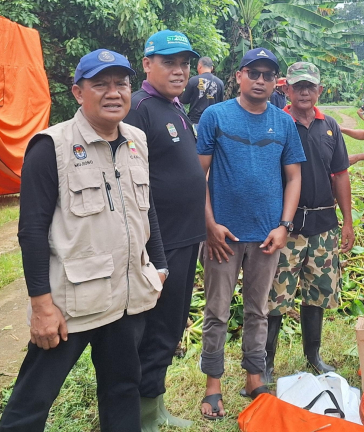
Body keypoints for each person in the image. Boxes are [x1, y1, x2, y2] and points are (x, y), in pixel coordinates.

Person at [0, 49, 167, 432]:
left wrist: (160, 265)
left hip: (126, 299)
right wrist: (41, 305)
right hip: (71, 304)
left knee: (123, 389)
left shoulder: (136, 139)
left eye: (120, 84)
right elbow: (32, 231)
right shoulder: (51, 147)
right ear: (78, 92)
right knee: (32, 400)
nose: (113, 93)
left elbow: (146, 208)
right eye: (100, 84)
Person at [196, 47, 305, 418]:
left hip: (267, 236)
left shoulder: (284, 123)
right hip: (222, 237)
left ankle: (253, 378)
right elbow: (200, 176)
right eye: (253, 73)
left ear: (276, 82)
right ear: (239, 76)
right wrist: (209, 225)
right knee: (217, 311)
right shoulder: (215, 115)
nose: (260, 80)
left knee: (259, 309)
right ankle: (213, 387)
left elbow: (294, 176)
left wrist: (284, 226)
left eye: (268, 75)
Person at [124, 29, 205, 431]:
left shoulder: (173, 108)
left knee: (170, 326)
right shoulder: (138, 108)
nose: (179, 71)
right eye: (170, 62)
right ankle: (140, 416)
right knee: (153, 329)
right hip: (160, 243)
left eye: (185, 64)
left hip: (186, 238)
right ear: (147, 64)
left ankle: (155, 406)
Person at [264, 62, 354, 383]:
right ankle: (266, 361)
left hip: (324, 224)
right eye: (298, 86)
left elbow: (340, 174)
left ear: (319, 89)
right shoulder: (275, 123)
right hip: (286, 225)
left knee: (318, 291)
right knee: (276, 294)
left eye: (310, 86)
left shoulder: (329, 125)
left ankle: (313, 355)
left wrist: (348, 221)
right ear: (286, 89)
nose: (304, 92)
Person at [180, 56, 224, 130]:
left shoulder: (193, 80)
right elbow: (219, 104)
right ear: (212, 68)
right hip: (212, 123)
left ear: (199, 66)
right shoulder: (220, 83)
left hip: (195, 121)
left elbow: (184, 100)